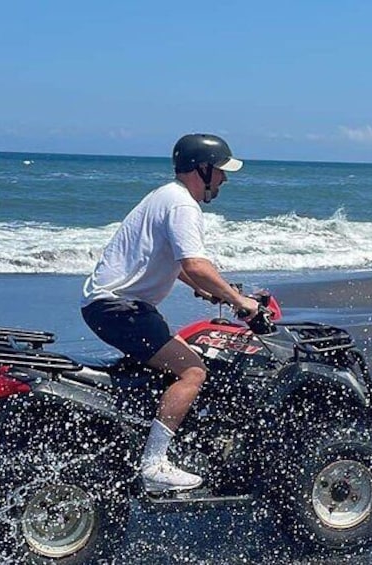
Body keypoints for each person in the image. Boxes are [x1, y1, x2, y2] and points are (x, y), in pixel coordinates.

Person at [81, 133, 259, 493]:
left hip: (112, 306)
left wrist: (207, 290)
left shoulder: (165, 196)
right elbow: (195, 263)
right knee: (193, 370)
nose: (225, 179)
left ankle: (144, 434)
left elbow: (173, 263)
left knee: (172, 359)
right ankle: (154, 463)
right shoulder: (183, 206)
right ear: (203, 169)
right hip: (122, 308)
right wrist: (241, 303)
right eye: (221, 171)